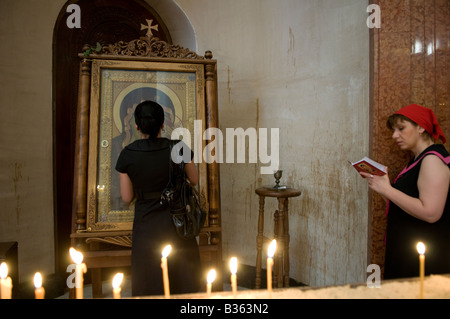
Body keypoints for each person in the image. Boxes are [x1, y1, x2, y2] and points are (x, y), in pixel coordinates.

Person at [115, 100, 202, 296]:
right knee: (183, 281)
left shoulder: (127, 154)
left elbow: (127, 197)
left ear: (136, 126)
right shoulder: (178, 147)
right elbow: (194, 180)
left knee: (151, 281)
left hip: (147, 225)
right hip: (177, 222)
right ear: (163, 124)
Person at [361, 104, 450, 279]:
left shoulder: (432, 159)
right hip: (409, 248)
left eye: (401, 128)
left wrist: (387, 189)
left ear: (421, 127)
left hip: (427, 254)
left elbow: (431, 213)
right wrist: (381, 186)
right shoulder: (417, 159)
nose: (395, 135)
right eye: (394, 130)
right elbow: (408, 202)